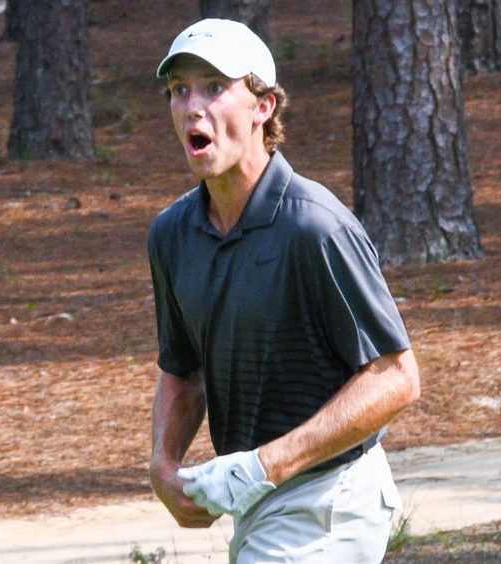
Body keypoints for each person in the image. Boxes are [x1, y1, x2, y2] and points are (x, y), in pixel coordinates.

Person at [143, 18, 423, 563]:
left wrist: (264, 465)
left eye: (215, 87)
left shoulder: (314, 227)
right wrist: (163, 463)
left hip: (332, 498)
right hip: (261, 505)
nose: (192, 106)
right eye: (179, 90)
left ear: (263, 107)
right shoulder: (172, 234)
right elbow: (182, 369)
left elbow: (396, 377)